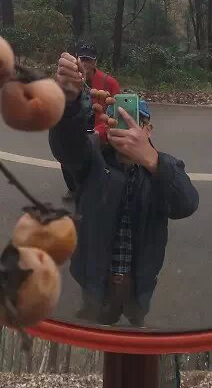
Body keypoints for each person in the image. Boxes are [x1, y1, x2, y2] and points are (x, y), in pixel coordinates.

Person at [50, 52, 199, 327]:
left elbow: (186, 203)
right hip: (93, 280)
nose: (126, 130)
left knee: (136, 319)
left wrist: (152, 161)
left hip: (140, 284)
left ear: (148, 130)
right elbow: (66, 147)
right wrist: (69, 103)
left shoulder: (164, 168)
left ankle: (134, 319)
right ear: (107, 125)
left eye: (135, 122)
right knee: (96, 319)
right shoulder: (93, 157)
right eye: (117, 120)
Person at [61, 43, 121, 201]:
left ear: (95, 62)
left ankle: (101, 189)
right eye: (83, 59)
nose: (85, 64)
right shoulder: (69, 81)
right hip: (78, 128)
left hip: (100, 131)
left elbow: (115, 115)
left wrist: (98, 132)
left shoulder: (109, 83)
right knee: (66, 154)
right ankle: (73, 189)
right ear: (76, 60)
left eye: (89, 60)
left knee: (101, 162)